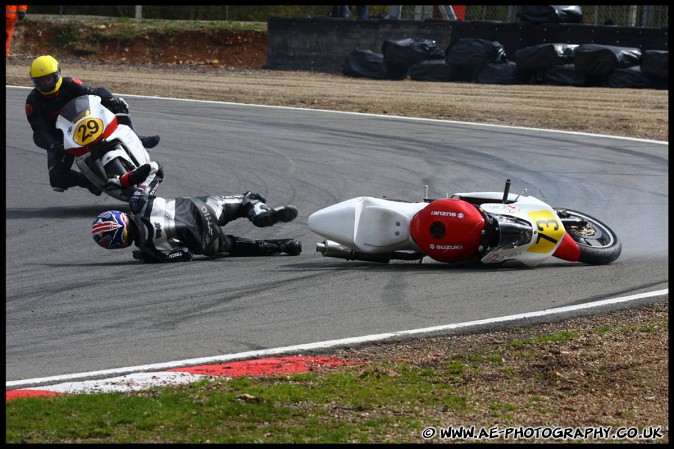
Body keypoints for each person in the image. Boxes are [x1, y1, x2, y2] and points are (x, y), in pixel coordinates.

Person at [91, 162, 302, 263]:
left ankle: (286, 245)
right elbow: (155, 168)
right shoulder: (139, 202)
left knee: (233, 247)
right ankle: (259, 213)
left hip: (205, 239)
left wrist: (146, 257)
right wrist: (123, 180)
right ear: (120, 217)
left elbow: (184, 254)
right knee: (247, 198)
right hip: (203, 208)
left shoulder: (151, 251)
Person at [25, 55, 161, 195]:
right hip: (62, 140)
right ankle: (88, 181)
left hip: (88, 121)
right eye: (41, 81)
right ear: (34, 82)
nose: (46, 84)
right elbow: (39, 131)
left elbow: (94, 92)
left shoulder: (71, 83)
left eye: (49, 78)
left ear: (58, 73)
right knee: (57, 180)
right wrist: (53, 145)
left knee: (118, 105)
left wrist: (111, 100)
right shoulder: (33, 102)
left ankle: (137, 139)